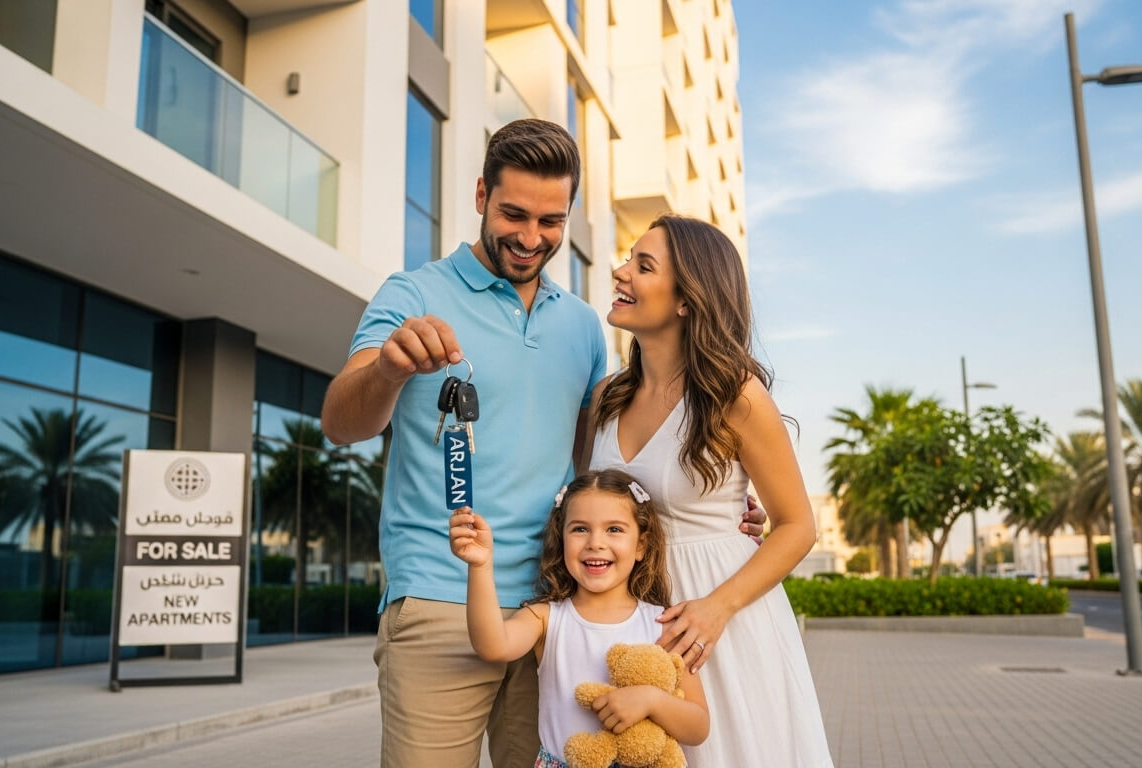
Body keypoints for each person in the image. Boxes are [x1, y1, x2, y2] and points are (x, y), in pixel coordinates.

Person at [319, 120, 763, 768]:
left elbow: (597, 467)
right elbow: (340, 422)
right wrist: (388, 369)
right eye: (514, 214)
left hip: (559, 612)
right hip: (440, 598)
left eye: (550, 221)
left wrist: (714, 509)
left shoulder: (584, 327)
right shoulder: (410, 294)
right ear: (479, 196)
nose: (531, 239)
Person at [585, 214, 834, 766]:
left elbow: (797, 526)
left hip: (719, 625)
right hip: (631, 618)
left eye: (642, 265)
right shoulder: (606, 397)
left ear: (686, 299)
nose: (620, 272)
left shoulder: (734, 395)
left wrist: (716, 610)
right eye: (629, 257)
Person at [449, 469, 709, 768]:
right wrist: (480, 566)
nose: (595, 542)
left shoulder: (664, 625)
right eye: (580, 529)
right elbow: (492, 646)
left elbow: (698, 726)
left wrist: (652, 700)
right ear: (561, 540)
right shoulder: (545, 617)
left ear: (641, 545)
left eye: (614, 529)